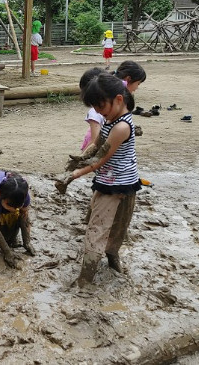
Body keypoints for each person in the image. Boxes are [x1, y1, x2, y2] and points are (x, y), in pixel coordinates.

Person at [71, 72, 141, 287]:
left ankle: (85, 279)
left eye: (101, 107)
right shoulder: (111, 120)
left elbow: (101, 158)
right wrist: (81, 157)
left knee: (101, 230)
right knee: (101, 225)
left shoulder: (121, 126)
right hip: (110, 181)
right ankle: (100, 266)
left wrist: (76, 174)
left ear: (118, 100)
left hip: (119, 184)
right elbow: (96, 143)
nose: (99, 112)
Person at [80, 61, 146, 151]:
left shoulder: (119, 106)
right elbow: (95, 142)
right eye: (138, 83)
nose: (137, 87)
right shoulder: (100, 111)